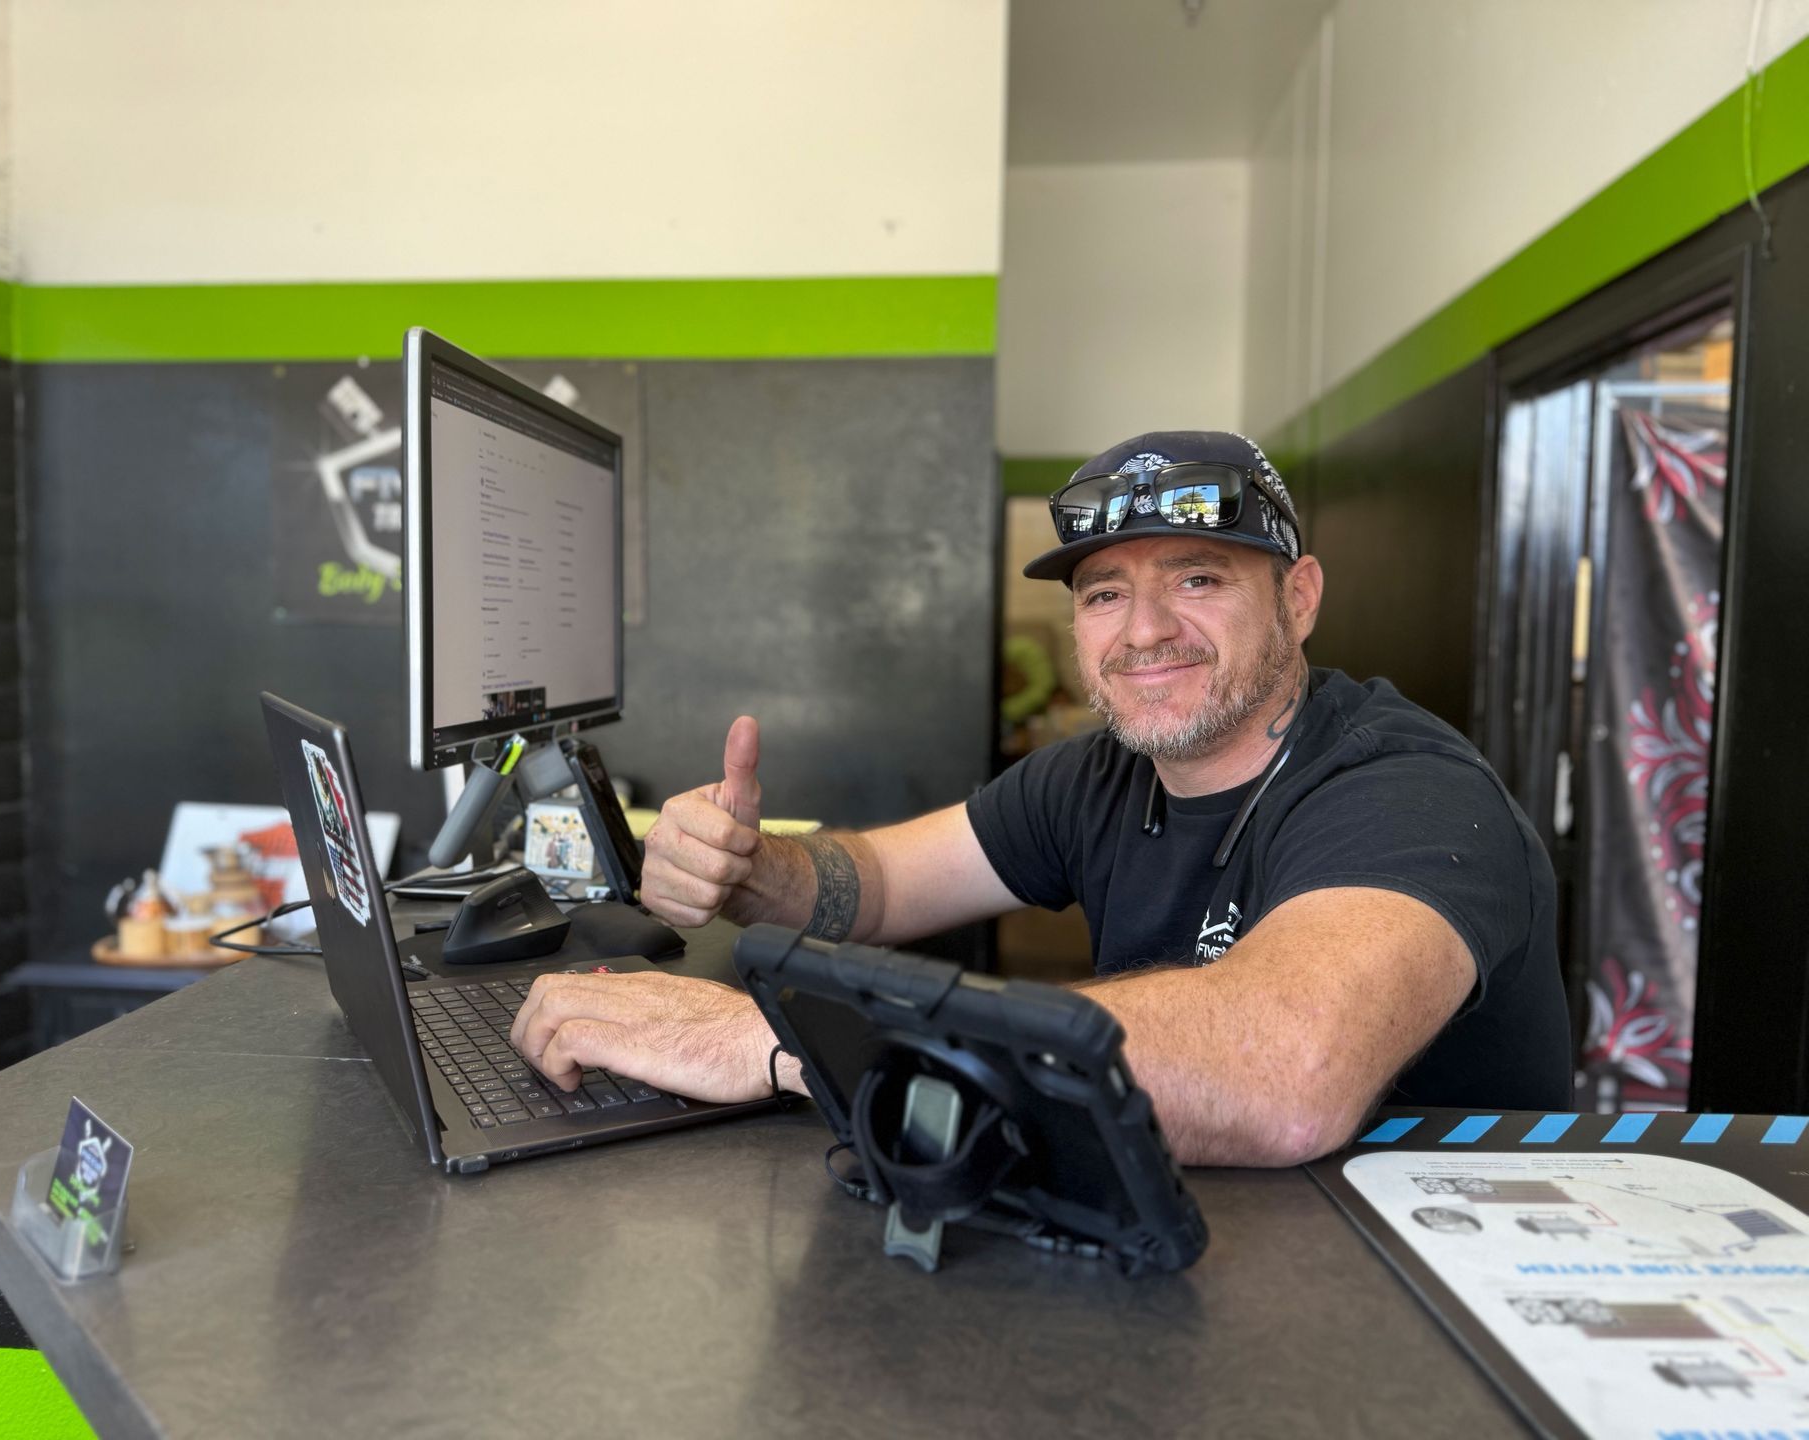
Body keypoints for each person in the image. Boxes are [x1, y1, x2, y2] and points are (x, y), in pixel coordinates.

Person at [510, 431, 1573, 1166]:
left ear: (1297, 599)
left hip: (1420, 1313)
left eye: (1197, 578)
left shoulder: (1407, 789)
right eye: (1106, 593)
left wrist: (781, 1048)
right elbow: (877, 885)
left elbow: (1287, 1072)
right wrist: (753, 872)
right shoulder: (1098, 773)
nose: (1145, 629)